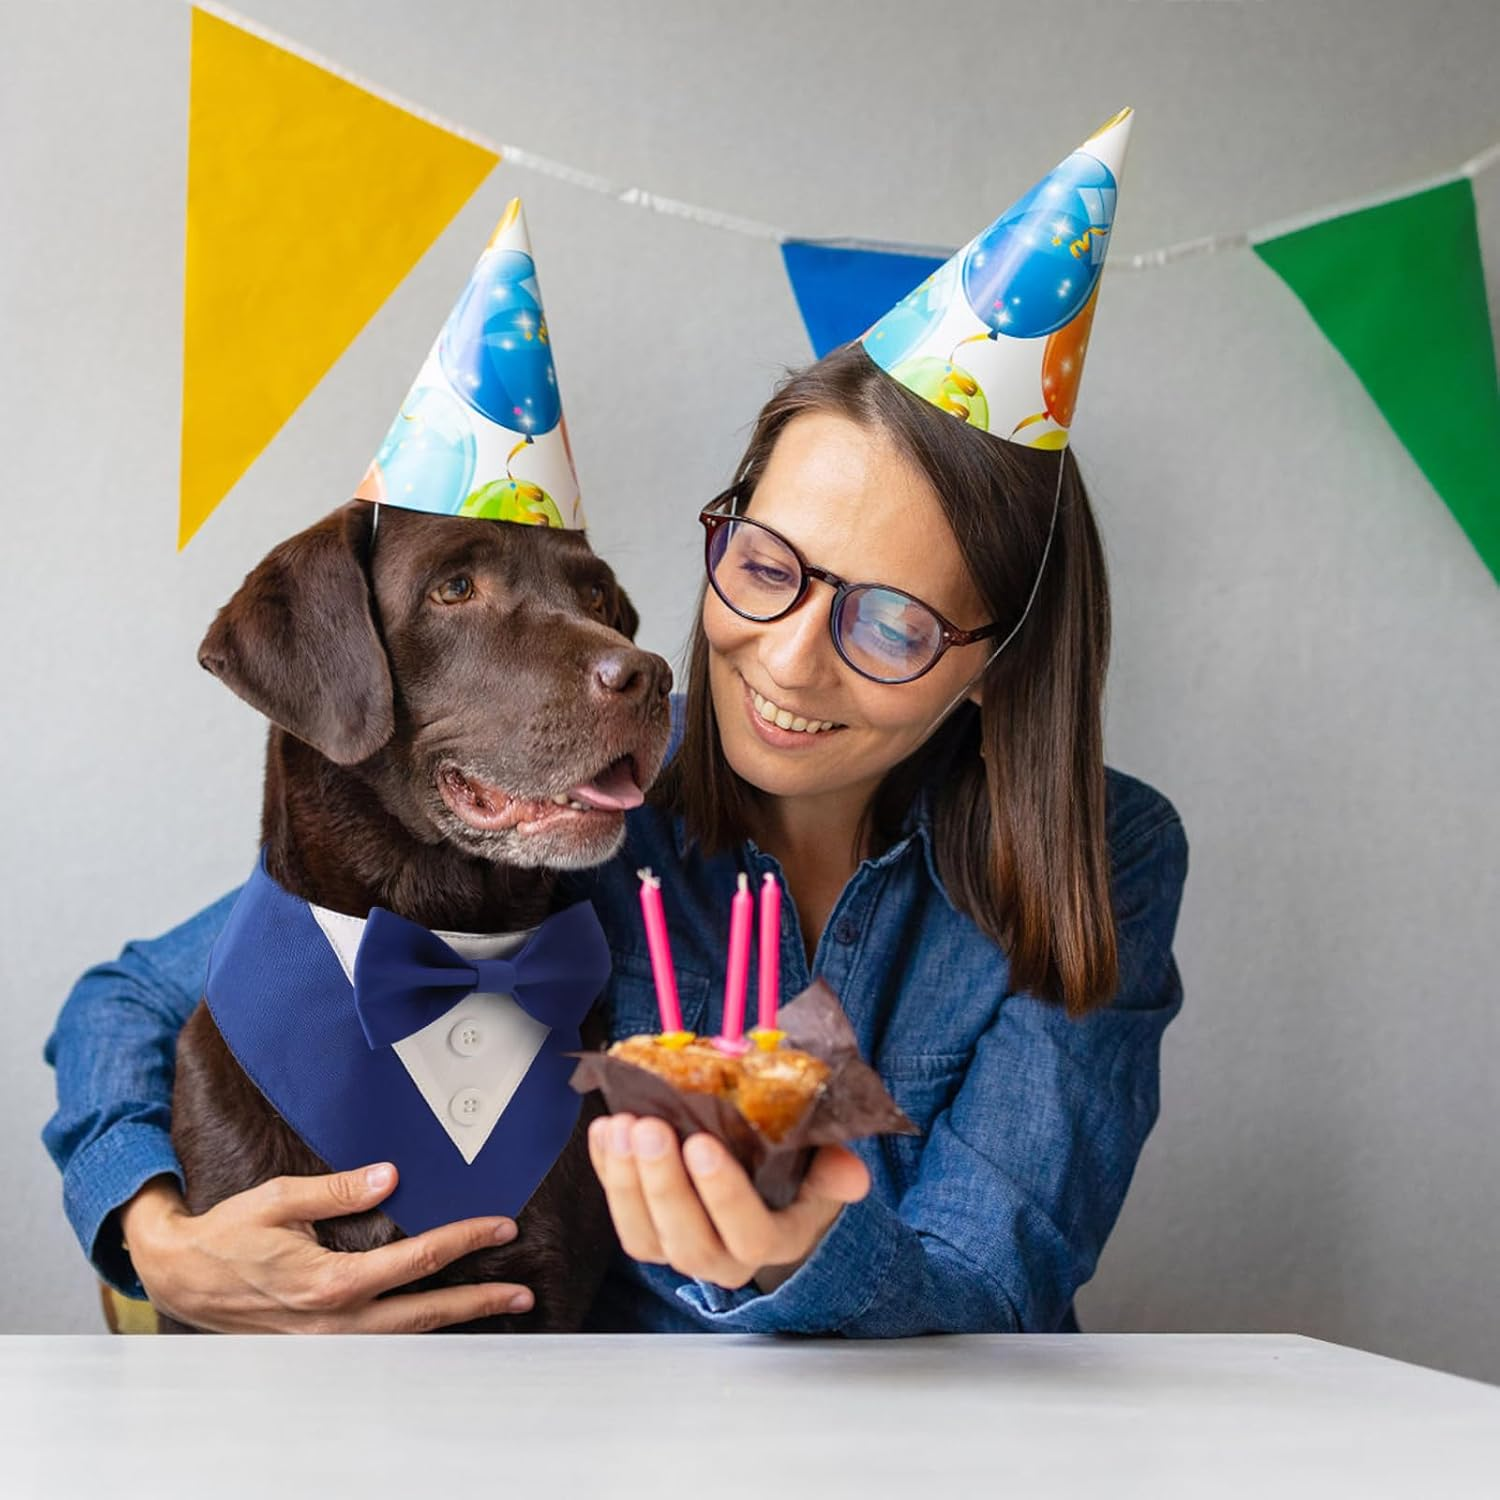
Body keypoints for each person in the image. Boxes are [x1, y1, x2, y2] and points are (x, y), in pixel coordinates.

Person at [44, 110, 1188, 1336]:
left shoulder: (1099, 852)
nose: (788, 660)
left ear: (996, 668)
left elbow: (995, 1283)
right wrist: (157, 1241)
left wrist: (801, 1261)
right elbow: (132, 998)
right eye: (765, 566)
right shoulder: (592, 794)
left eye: (893, 626)